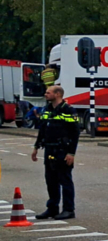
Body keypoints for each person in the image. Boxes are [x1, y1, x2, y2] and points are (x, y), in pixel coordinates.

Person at [31, 85, 79, 220]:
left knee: (65, 180)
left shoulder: (69, 110)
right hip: (49, 149)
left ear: (57, 94)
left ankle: (69, 210)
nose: (45, 94)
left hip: (63, 150)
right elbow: (43, 129)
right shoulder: (47, 109)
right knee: (50, 180)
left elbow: (75, 133)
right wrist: (36, 147)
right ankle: (52, 208)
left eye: (48, 92)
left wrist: (71, 153)